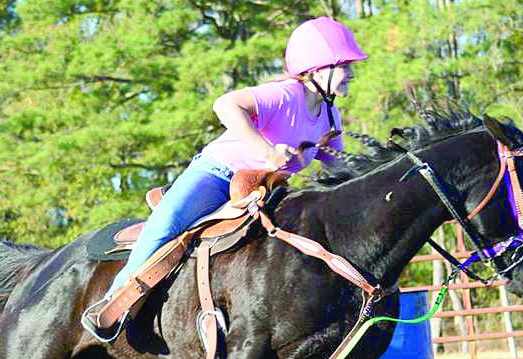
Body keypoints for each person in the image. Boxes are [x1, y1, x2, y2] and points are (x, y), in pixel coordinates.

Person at [85, 16, 368, 338]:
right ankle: (113, 303)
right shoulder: (286, 95)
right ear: (317, 68)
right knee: (167, 224)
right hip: (217, 175)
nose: (352, 74)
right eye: (345, 65)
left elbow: (338, 169)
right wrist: (267, 151)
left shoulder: (331, 115)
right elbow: (225, 104)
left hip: (266, 192)